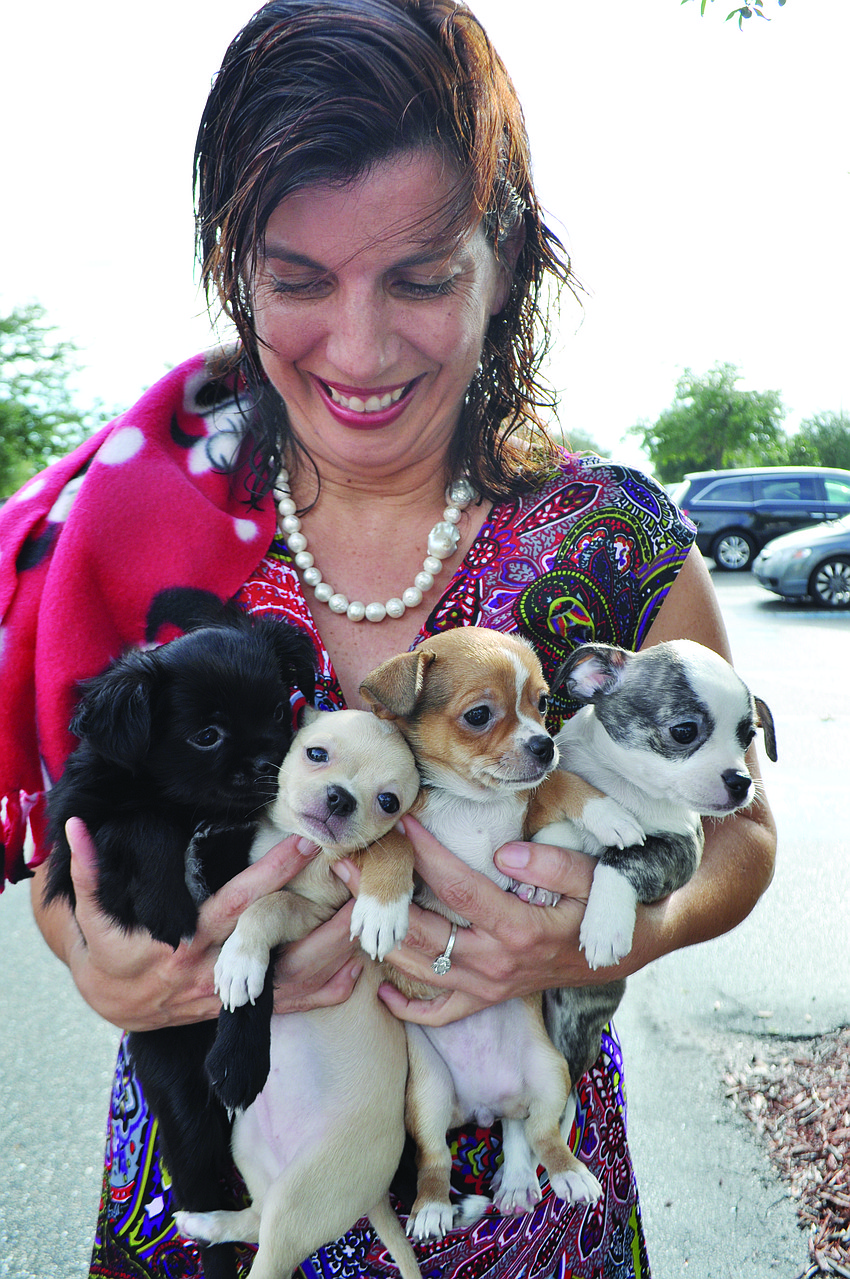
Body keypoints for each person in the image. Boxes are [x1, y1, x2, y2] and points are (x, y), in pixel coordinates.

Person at [0, 2, 776, 1276]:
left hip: (528, 1193)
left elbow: (742, 834)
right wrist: (107, 970)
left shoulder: (614, 535)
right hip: (211, 1184)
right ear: (233, 267)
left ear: (506, 260)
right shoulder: (139, 526)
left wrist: (642, 917)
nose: (358, 349)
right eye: (297, 282)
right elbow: (72, 846)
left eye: (421, 279)